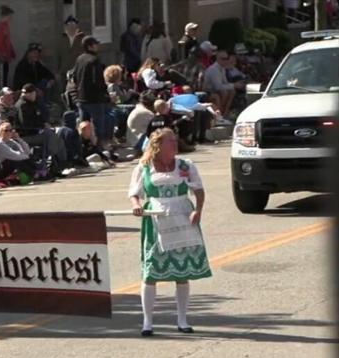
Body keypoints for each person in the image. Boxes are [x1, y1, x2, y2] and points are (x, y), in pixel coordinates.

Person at [128, 128, 211, 336]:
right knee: (151, 272)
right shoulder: (144, 167)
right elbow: (134, 193)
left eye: (175, 140)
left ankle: (182, 319)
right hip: (156, 219)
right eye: (170, 141)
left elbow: (199, 191)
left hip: (182, 216)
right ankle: (147, 322)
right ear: (158, 145)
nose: (174, 144)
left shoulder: (185, 166)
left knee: (182, 273)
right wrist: (137, 205)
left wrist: (198, 211)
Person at [73, 36, 111, 143]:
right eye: (95, 44)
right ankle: (99, 146)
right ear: (89, 46)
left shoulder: (80, 59)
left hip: (81, 97)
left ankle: (83, 146)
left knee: (84, 126)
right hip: (94, 99)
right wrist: (105, 94)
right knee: (98, 126)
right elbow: (98, 81)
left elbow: (75, 77)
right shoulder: (94, 60)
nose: (97, 46)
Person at [204, 51, 244, 117]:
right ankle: (218, 115)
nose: (225, 60)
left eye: (226, 58)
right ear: (218, 59)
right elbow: (218, 86)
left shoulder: (222, 68)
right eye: (223, 59)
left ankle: (224, 114)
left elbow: (225, 82)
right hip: (209, 91)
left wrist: (235, 85)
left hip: (216, 90)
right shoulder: (214, 70)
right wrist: (234, 85)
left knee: (232, 91)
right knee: (224, 92)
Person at [57, 16, 85, 84]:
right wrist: (57, 71)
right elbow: (57, 55)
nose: (71, 27)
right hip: (64, 70)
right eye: (69, 25)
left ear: (77, 26)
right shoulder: (61, 38)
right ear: (66, 27)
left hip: (77, 70)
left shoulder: (81, 38)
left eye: (73, 25)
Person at [0, 5, 16, 88]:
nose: (10, 18)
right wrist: (2, 53)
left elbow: (8, 41)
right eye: (9, 16)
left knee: (5, 75)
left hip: (6, 54)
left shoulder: (6, 26)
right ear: (5, 16)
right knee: (2, 77)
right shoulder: (0, 26)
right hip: (2, 55)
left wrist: (11, 51)